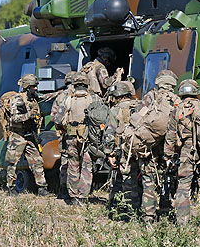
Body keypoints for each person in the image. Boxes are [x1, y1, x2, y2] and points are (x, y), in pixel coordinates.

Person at [164, 79, 200, 225]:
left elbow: (170, 135)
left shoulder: (177, 110)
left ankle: (183, 223)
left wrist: (168, 155)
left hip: (186, 150)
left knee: (183, 185)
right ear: (196, 92)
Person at [139, 69, 181, 222]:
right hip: (169, 145)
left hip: (150, 144)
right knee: (168, 177)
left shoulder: (149, 97)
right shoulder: (177, 100)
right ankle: (165, 209)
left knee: (148, 180)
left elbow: (139, 118)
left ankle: (149, 215)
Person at [60, 72, 103, 205]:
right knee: (86, 166)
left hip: (71, 137)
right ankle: (82, 197)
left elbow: (57, 119)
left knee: (73, 166)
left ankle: (73, 197)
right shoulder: (94, 98)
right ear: (86, 84)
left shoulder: (68, 99)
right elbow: (101, 117)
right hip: (87, 138)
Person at [5, 74, 49, 196]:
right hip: (18, 135)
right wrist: (28, 115)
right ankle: (11, 187)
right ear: (26, 86)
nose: (35, 88)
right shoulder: (17, 99)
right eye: (33, 86)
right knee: (12, 162)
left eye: (35, 86)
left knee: (37, 161)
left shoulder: (33, 99)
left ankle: (42, 188)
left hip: (30, 135)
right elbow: (14, 119)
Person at [103, 81, 142, 215]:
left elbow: (110, 133)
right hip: (141, 149)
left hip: (124, 149)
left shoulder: (115, 110)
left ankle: (129, 211)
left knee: (126, 180)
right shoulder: (140, 106)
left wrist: (109, 153)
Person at [50, 71, 76, 199]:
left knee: (65, 162)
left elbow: (53, 117)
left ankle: (64, 190)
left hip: (65, 135)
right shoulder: (84, 95)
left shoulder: (60, 96)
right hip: (80, 135)